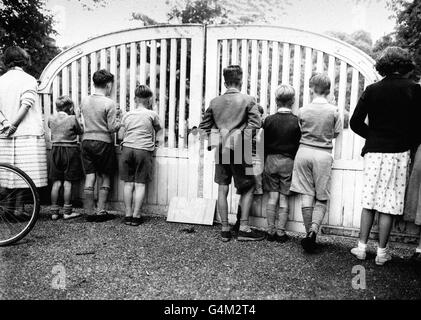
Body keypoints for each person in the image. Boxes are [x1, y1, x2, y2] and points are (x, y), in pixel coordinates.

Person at [350, 46, 421, 266]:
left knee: (369, 200)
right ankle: (382, 253)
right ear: (404, 65)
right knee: (388, 203)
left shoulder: (372, 90)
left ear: (384, 66)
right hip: (398, 153)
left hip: (373, 152)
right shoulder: (414, 89)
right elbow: (419, 126)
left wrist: (372, 136)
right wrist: (407, 142)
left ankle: (361, 248)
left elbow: (354, 123)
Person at [198, 65, 264, 242]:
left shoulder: (214, 102)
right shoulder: (249, 99)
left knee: (222, 187)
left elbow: (203, 127)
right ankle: (243, 228)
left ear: (225, 82)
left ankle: (225, 229)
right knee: (248, 186)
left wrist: (218, 139)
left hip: (221, 148)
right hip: (241, 149)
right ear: (241, 81)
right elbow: (256, 124)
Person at [290, 73, 342, 253]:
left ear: (311, 88)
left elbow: (300, 130)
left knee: (307, 194)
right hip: (323, 154)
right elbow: (336, 134)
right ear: (329, 90)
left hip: (303, 152)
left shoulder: (302, 111)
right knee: (321, 196)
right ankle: (313, 231)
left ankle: (307, 236)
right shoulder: (334, 111)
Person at [0, 46, 48, 219]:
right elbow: (26, 104)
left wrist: (5, 123)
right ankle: (19, 209)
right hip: (25, 132)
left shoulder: (1, 80)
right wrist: (14, 124)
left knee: (5, 173)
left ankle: (7, 209)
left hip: (3, 133)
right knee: (23, 174)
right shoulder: (29, 80)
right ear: (23, 59)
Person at [80, 69, 122, 222]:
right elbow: (111, 128)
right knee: (105, 176)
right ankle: (101, 211)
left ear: (94, 83)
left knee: (90, 176)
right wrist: (120, 120)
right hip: (103, 142)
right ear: (108, 85)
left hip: (86, 141)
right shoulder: (109, 103)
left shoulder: (84, 100)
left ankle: (89, 212)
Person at [118, 85, 161, 227]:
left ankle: (128, 214)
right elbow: (159, 130)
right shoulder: (152, 115)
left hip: (127, 149)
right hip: (143, 150)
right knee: (140, 184)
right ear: (149, 100)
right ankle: (136, 216)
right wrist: (155, 142)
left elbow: (120, 135)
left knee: (128, 184)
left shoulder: (127, 115)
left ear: (135, 99)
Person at [263, 84, 301, 242]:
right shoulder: (296, 122)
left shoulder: (268, 120)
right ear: (292, 101)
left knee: (272, 198)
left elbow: (263, 143)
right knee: (284, 199)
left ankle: (270, 231)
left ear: (276, 101)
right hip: (288, 162)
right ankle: (280, 232)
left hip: (271, 161)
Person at [48, 96, 84, 220]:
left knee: (56, 182)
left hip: (55, 150)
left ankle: (54, 212)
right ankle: (67, 212)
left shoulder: (51, 118)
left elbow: (51, 128)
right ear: (70, 107)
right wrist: (77, 116)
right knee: (68, 182)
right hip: (70, 150)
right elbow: (80, 131)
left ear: (56, 107)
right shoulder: (72, 118)